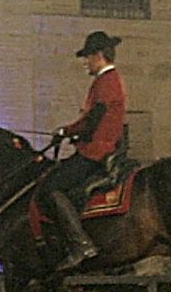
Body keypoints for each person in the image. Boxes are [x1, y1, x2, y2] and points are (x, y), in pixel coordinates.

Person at [38, 30, 128, 269]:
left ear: (99, 55)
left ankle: (81, 244)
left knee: (51, 187)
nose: (85, 62)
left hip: (97, 151)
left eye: (87, 57)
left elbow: (93, 119)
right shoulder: (108, 80)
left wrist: (67, 131)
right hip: (97, 146)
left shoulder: (106, 82)